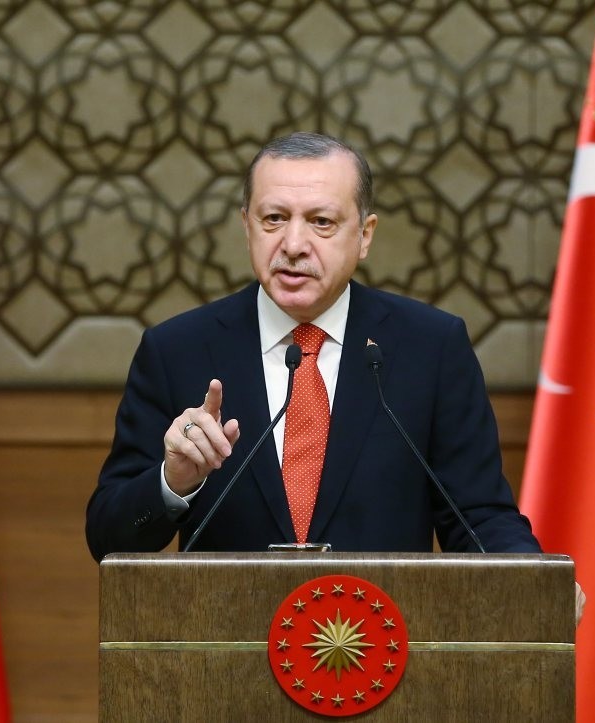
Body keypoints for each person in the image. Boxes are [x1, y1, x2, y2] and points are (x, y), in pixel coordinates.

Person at [86, 132, 542, 561]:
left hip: (379, 637)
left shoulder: (431, 348)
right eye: (274, 219)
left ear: (364, 235)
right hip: (227, 637)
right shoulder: (176, 350)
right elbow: (107, 538)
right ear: (247, 226)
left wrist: (535, 578)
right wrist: (173, 483)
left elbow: (478, 516)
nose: (294, 244)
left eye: (321, 222)